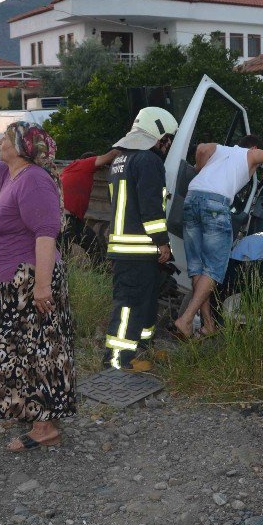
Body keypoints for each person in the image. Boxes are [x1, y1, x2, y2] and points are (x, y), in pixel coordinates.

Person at [0, 123, 76, 452]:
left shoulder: (33, 180)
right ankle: (28, 411)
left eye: (5, 138)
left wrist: (42, 287)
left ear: (21, 147)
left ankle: (44, 427)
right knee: (14, 355)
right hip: (4, 288)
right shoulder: (10, 175)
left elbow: (46, 234)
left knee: (34, 354)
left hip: (24, 285)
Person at [173, 135, 263, 339]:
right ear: (254, 147)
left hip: (191, 200)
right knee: (214, 269)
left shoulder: (219, 150)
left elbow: (202, 148)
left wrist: (200, 168)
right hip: (214, 205)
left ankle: (208, 325)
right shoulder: (248, 154)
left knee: (198, 269)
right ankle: (185, 319)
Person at [103, 107, 177, 371]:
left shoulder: (121, 159)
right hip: (138, 248)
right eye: (168, 139)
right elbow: (150, 207)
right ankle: (118, 359)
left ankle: (141, 349)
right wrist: (163, 242)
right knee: (130, 305)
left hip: (128, 248)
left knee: (143, 304)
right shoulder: (149, 161)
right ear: (159, 137)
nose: (168, 145)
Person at [59, 149, 120, 261]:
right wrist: (127, 147)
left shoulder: (70, 169)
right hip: (65, 218)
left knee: (93, 244)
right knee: (64, 254)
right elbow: (112, 154)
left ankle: (99, 271)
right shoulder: (85, 164)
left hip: (71, 218)